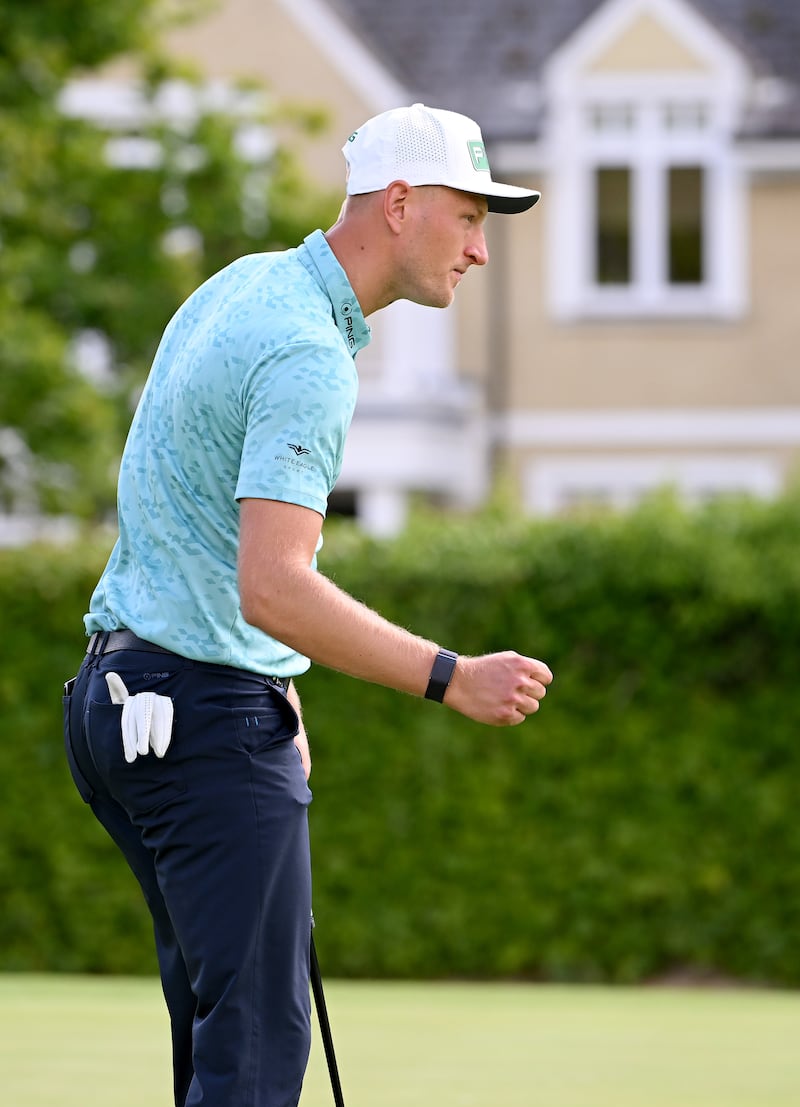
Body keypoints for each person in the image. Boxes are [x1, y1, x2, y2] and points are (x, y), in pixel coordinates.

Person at [62, 102, 553, 1107]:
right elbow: (273, 584)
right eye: (466, 218)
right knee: (253, 1058)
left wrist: (270, 688)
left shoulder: (244, 287)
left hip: (116, 703)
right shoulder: (305, 353)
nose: (478, 250)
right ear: (400, 203)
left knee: (219, 1047)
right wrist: (447, 675)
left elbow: (184, 528)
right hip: (201, 720)